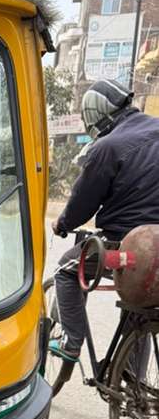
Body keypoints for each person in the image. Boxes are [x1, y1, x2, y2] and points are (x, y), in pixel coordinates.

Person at [50, 79, 159, 361]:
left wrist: (62, 224)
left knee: (65, 270)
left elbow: (82, 204)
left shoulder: (108, 147)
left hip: (128, 250)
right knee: (140, 310)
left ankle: (71, 342)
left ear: (96, 115)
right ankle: (133, 384)